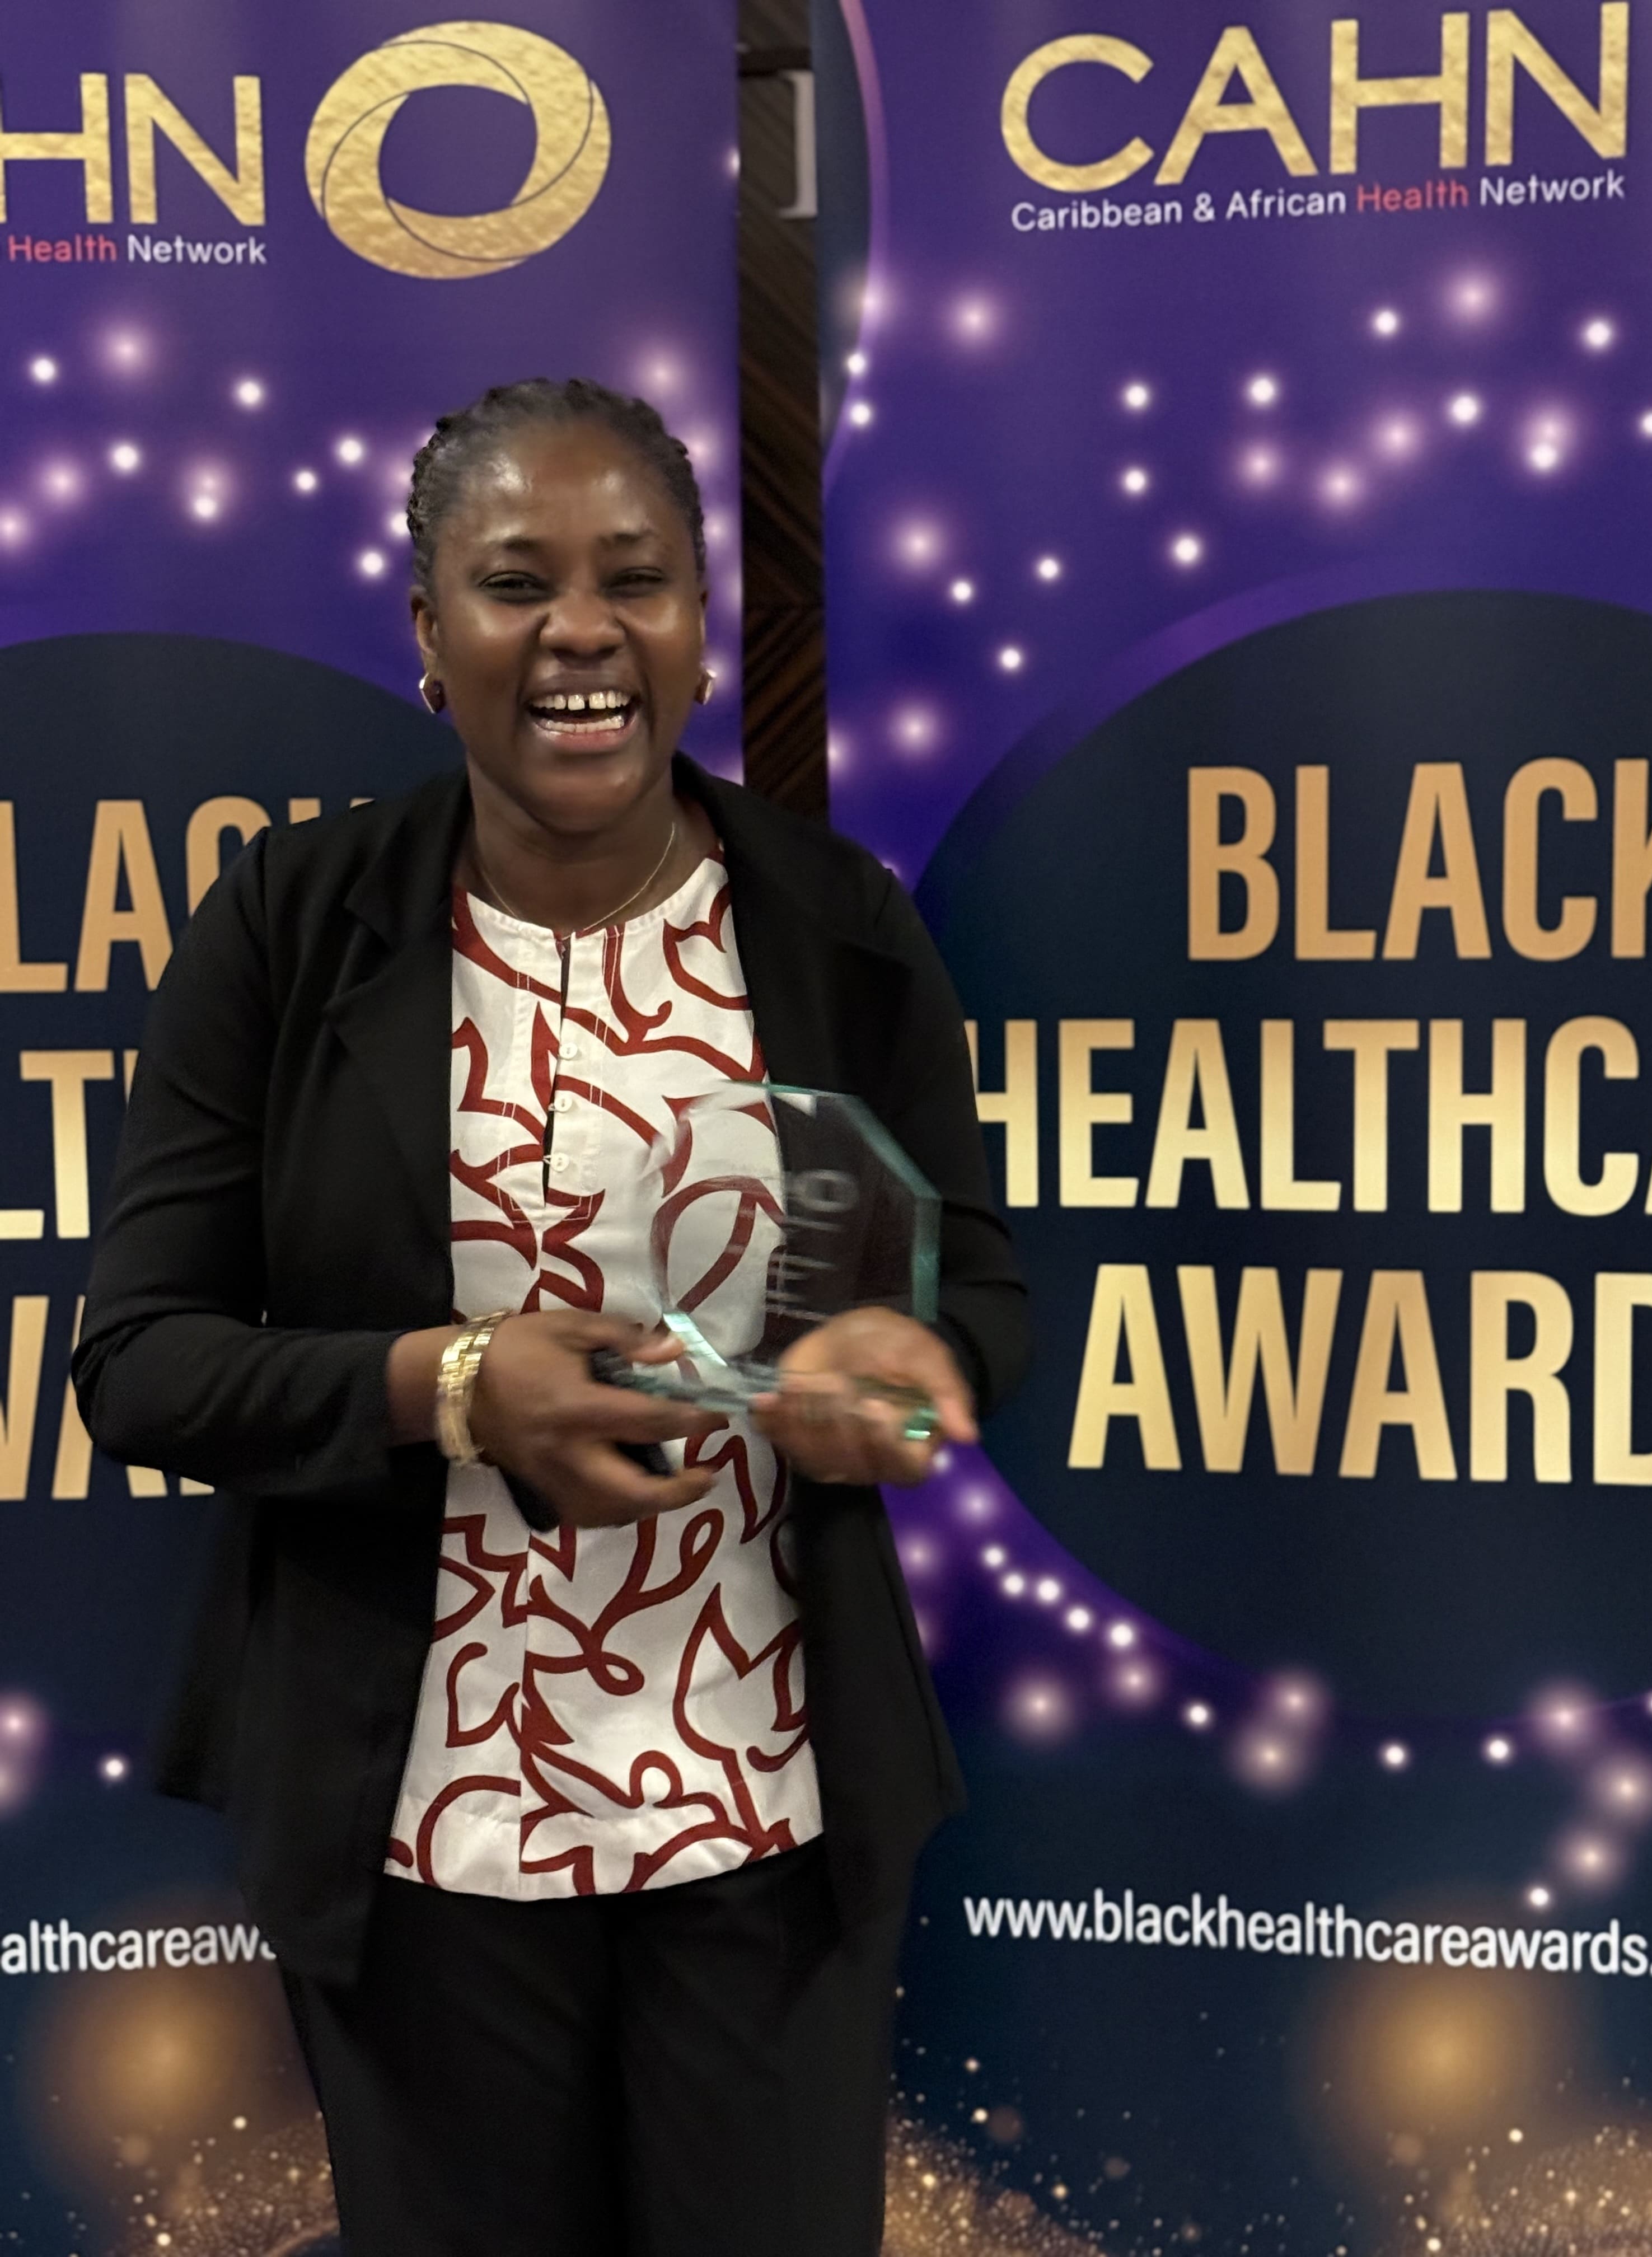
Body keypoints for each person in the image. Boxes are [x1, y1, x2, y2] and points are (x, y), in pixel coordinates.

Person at [74, 376, 1027, 2257]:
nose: (582, 628)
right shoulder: (291, 919)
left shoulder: (836, 921)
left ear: (697, 631)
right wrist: (446, 1388)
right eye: (517, 582)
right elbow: (140, 1356)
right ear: (430, 639)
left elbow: (967, 1282)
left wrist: (915, 1373)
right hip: (422, 1827)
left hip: (768, 1810)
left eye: (638, 579)